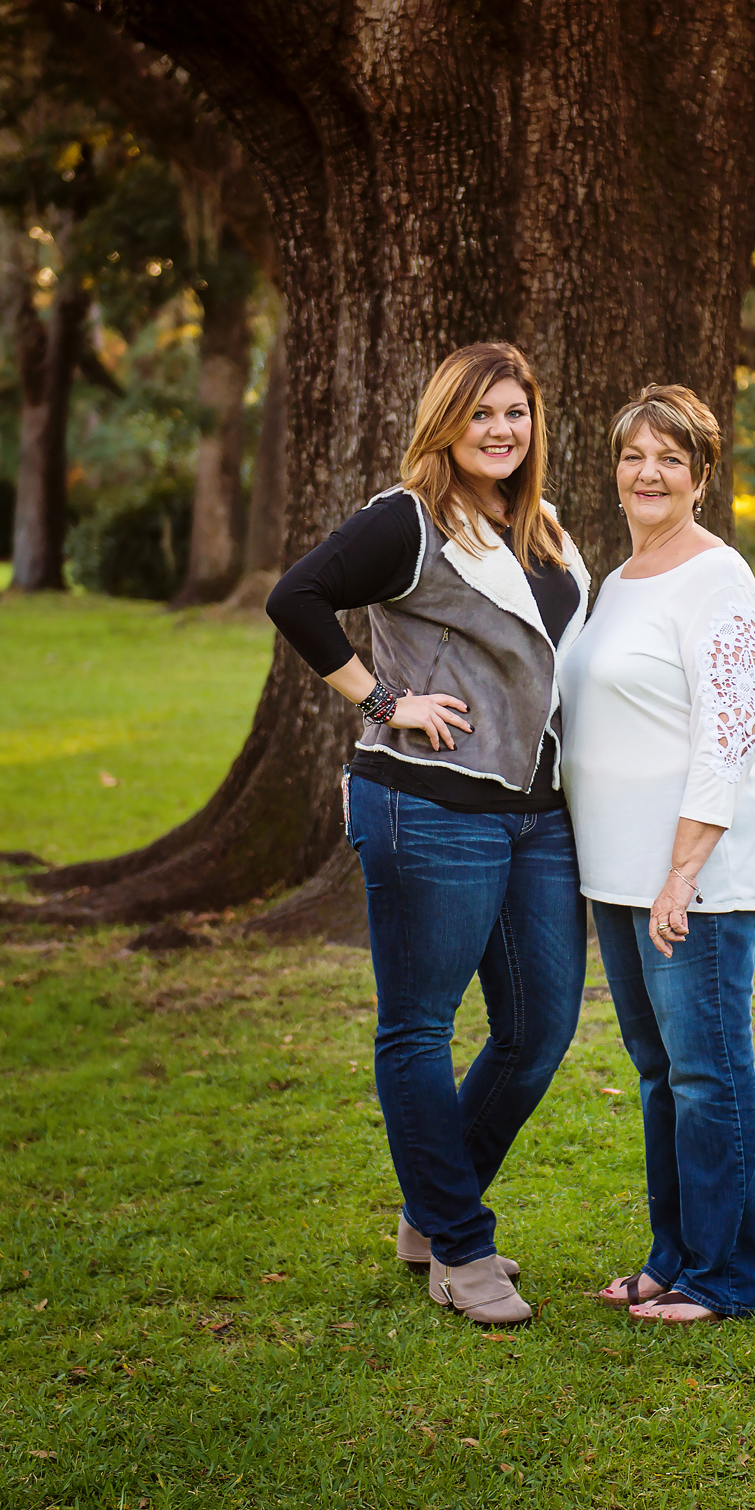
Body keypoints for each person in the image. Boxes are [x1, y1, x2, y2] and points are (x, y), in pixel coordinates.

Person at [267, 344, 590, 1326]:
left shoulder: (541, 530)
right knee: (418, 1025)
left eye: (516, 413)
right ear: (445, 421)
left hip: (538, 815)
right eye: (481, 412)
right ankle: (459, 1243)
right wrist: (386, 700)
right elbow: (298, 597)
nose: (501, 429)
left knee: (538, 1028)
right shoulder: (407, 519)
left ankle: (431, 1201)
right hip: (428, 804)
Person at [559, 384, 755, 1323]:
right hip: (618, 875)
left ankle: (727, 1276)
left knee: (707, 1074)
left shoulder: (718, 579)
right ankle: (671, 1255)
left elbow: (731, 734)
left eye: (669, 459)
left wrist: (683, 872)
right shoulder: (615, 581)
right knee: (662, 1076)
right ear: (614, 471)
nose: (648, 473)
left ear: (699, 475)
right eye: (633, 457)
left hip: (691, 878)